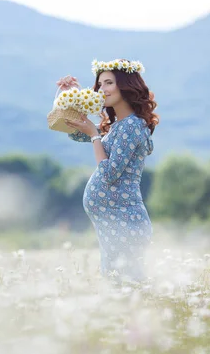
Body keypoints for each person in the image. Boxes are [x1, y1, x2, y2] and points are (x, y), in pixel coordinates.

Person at [59, 59, 159, 283]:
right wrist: (69, 97)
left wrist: (94, 134)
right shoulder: (118, 126)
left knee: (125, 286)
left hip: (124, 223)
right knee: (118, 285)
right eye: (99, 84)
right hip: (114, 224)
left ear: (125, 85)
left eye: (108, 83)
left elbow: (109, 173)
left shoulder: (131, 126)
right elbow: (75, 132)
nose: (101, 89)